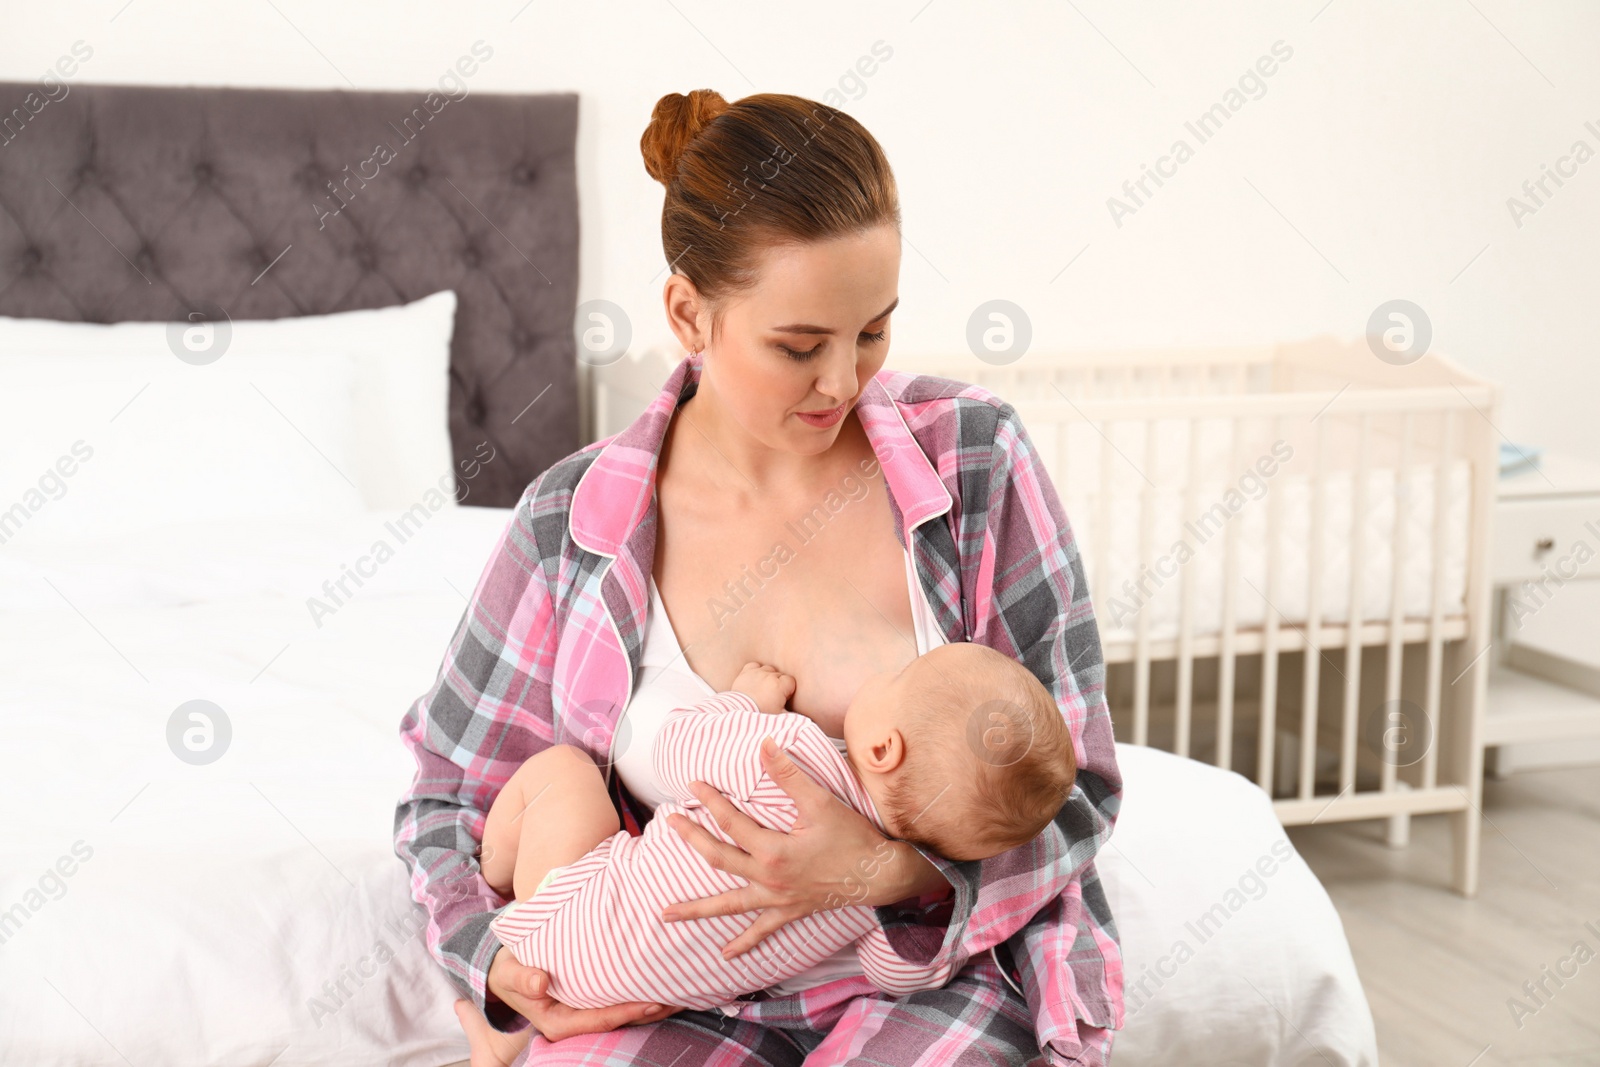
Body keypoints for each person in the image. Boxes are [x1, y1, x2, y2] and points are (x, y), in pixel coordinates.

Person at [394, 88, 1124, 1066]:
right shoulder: (576, 524)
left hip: (922, 965)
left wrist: (882, 868)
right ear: (688, 313)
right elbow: (449, 791)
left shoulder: (974, 462)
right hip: (664, 984)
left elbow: (1071, 780)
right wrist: (491, 959)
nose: (843, 382)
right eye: (798, 345)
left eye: (872, 330)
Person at [452, 644, 1077, 1066]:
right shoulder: (878, 900)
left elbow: (677, 752)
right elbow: (903, 972)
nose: (881, 674)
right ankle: (511, 1041)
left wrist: (745, 704)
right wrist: (920, 905)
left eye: (896, 677)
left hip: (567, 922)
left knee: (563, 769)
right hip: (648, 991)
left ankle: (497, 871)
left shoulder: (793, 754)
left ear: (883, 748)